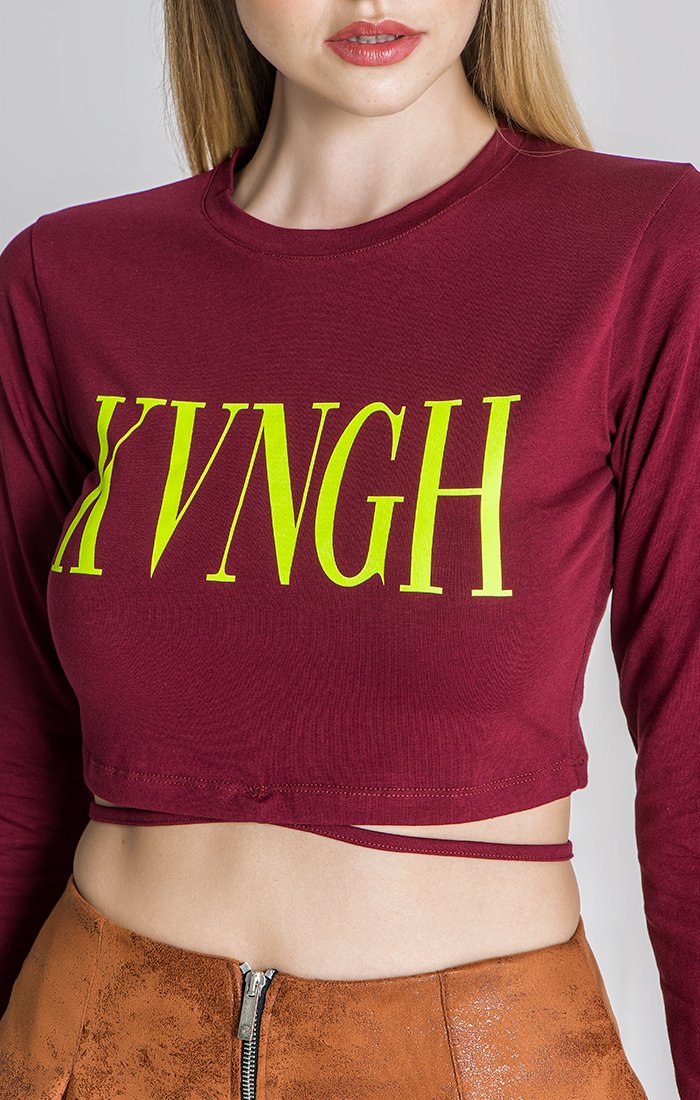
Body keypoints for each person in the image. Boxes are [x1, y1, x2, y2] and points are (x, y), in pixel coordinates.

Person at [0, 0, 697, 1096]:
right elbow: (15, 753)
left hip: (478, 1062)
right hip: (84, 1046)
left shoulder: (641, 246)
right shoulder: (67, 277)